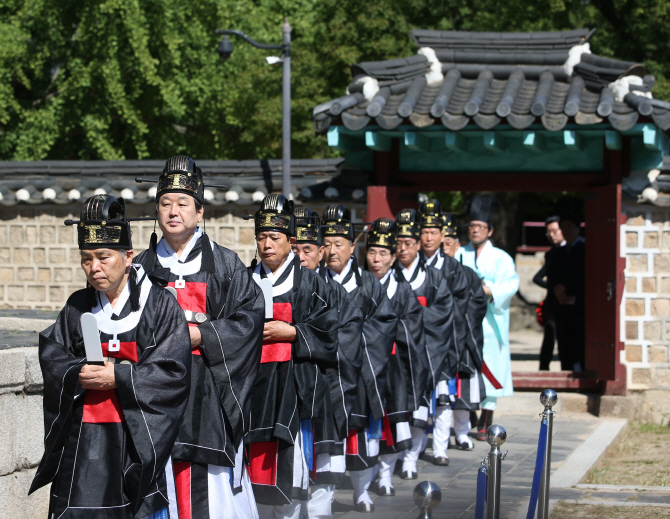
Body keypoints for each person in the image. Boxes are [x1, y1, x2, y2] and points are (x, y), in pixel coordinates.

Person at [30, 194, 192, 518]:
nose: (94, 267)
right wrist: (79, 370)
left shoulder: (159, 305)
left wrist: (118, 376)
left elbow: (174, 372)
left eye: (103, 257)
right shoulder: (78, 305)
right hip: (84, 437)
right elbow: (52, 354)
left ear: (128, 255)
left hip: (136, 437)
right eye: (86, 258)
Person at [135, 155, 265, 518]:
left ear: (200, 211)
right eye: (164, 203)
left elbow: (250, 321)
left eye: (182, 203)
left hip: (207, 394)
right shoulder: (140, 267)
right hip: (154, 395)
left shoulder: (225, 265)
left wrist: (202, 335)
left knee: (206, 488)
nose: (172, 211)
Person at [247, 195, 339, 519]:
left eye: (274, 237)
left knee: (293, 473)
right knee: (254, 474)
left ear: (291, 241)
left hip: (294, 390)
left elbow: (330, 334)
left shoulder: (311, 284)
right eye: (261, 237)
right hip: (252, 391)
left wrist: (294, 333)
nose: (267, 244)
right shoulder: (244, 282)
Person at [322, 204, 397, 513]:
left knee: (360, 435)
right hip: (327, 373)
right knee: (326, 437)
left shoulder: (369, 284)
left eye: (338, 244)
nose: (331, 251)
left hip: (360, 372)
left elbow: (384, 325)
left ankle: (361, 489)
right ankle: (324, 492)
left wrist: (352, 343)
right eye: (325, 244)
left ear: (353, 246)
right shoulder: (315, 281)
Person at [291, 207, 364, 518]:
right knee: (288, 477)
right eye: (294, 249)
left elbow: (348, 346)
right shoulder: (274, 290)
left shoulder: (336, 293)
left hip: (326, 393)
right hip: (287, 395)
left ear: (320, 253)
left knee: (324, 473)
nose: (301, 258)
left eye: (307, 250)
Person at [365, 217, 428, 497]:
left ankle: (386, 474)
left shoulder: (403, 290)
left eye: (383, 254)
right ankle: (362, 478)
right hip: (364, 365)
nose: (376, 259)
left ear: (392, 258)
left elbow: (413, 326)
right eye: (371, 252)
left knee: (392, 423)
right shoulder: (358, 286)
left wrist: (385, 330)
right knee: (365, 423)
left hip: (392, 367)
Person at [394, 209, 455, 471]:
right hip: (397, 352)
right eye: (398, 244)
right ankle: (397, 455)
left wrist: (410, 318)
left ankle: (416, 457)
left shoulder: (434, 277)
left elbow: (443, 313)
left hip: (429, 349)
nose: (403, 249)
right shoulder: (389, 276)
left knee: (431, 404)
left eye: (409, 243)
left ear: (417, 244)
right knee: (398, 404)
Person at [455, 195, 520, 441]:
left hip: (490, 323)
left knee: (489, 367)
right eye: (472, 226)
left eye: (480, 227)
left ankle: (486, 419)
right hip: (465, 322)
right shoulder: (460, 254)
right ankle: (468, 412)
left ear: (489, 230)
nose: (475, 230)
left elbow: (510, 284)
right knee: (466, 367)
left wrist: (489, 289)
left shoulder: (502, 258)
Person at [418, 201, 474, 451]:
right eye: (424, 232)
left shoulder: (454, 269)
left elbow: (459, 308)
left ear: (443, 235)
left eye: (434, 232)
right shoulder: (411, 265)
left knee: (442, 399)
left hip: (445, 342)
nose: (429, 237)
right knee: (416, 399)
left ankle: (440, 449)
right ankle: (413, 451)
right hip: (416, 342)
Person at [532, 216, 565, 371]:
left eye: (554, 231)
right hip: (553, 304)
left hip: (569, 303)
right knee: (549, 339)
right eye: (548, 232)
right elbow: (537, 278)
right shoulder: (551, 253)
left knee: (566, 341)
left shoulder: (575, 250)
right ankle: (543, 369)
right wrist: (552, 288)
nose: (551, 235)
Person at [554, 213, 585, 372]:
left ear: (578, 228)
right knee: (565, 342)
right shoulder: (559, 252)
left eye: (569, 227)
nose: (565, 231)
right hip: (562, 304)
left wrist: (567, 287)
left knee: (580, 341)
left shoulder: (586, 248)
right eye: (562, 227)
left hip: (581, 303)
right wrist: (558, 289)